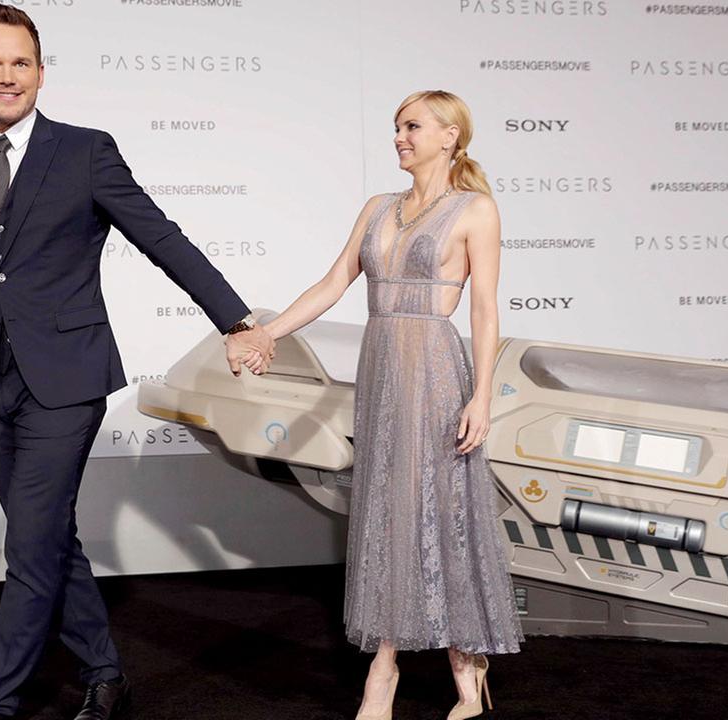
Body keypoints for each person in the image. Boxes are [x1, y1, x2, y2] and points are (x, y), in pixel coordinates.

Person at [0, 7, 275, 719]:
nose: (7, 76)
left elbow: (161, 238)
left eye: (20, 62)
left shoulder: (85, 152)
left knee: (29, 544)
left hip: (65, 382)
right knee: (48, 536)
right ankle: (104, 673)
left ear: (41, 72)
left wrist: (235, 320)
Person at [251, 90, 523, 720]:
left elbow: (485, 310)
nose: (399, 137)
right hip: (381, 373)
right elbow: (333, 283)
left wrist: (482, 395)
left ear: (451, 135)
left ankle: (464, 660)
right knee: (387, 510)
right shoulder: (378, 207)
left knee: (442, 509)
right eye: (397, 127)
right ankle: (386, 664)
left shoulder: (476, 209)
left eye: (412, 126)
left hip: (436, 373)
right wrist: (268, 333)